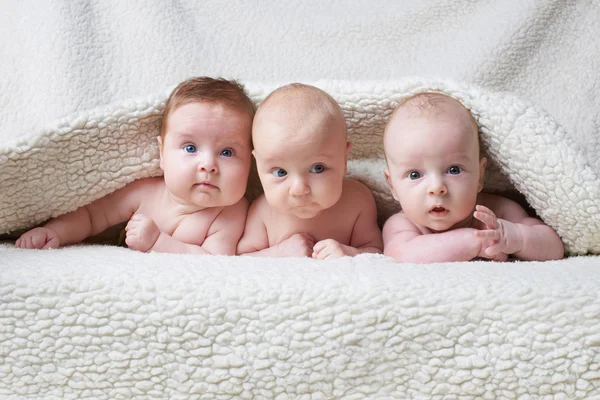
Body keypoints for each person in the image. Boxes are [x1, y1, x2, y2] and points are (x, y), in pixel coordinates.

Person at [16, 77, 254, 255]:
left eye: (227, 152)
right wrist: (56, 233)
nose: (209, 165)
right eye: (190, 148)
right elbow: (90, 216)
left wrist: (158, 242)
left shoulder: (231, 212)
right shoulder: (145, 193)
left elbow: (214, 262)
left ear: (252, 162)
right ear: (162, 154)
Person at [382, 92, 564, 263]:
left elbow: (554, 248)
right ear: (393, 186)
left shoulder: (497, 211)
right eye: (415, 175)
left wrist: (516, 237)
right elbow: (401, 255)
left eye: (454, 170)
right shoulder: (402, 224)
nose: (437, 187)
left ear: (480, 176)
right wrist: (473, 241)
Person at [237, 83, 383, 259]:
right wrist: (279, 253)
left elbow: (377, 253)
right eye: (280, 172)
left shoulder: (358, 201)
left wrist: (350, 253)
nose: (299, 190)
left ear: (344, 160)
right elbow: (242, 259)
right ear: (258, 165)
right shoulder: (262, 212)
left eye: (317, 168)